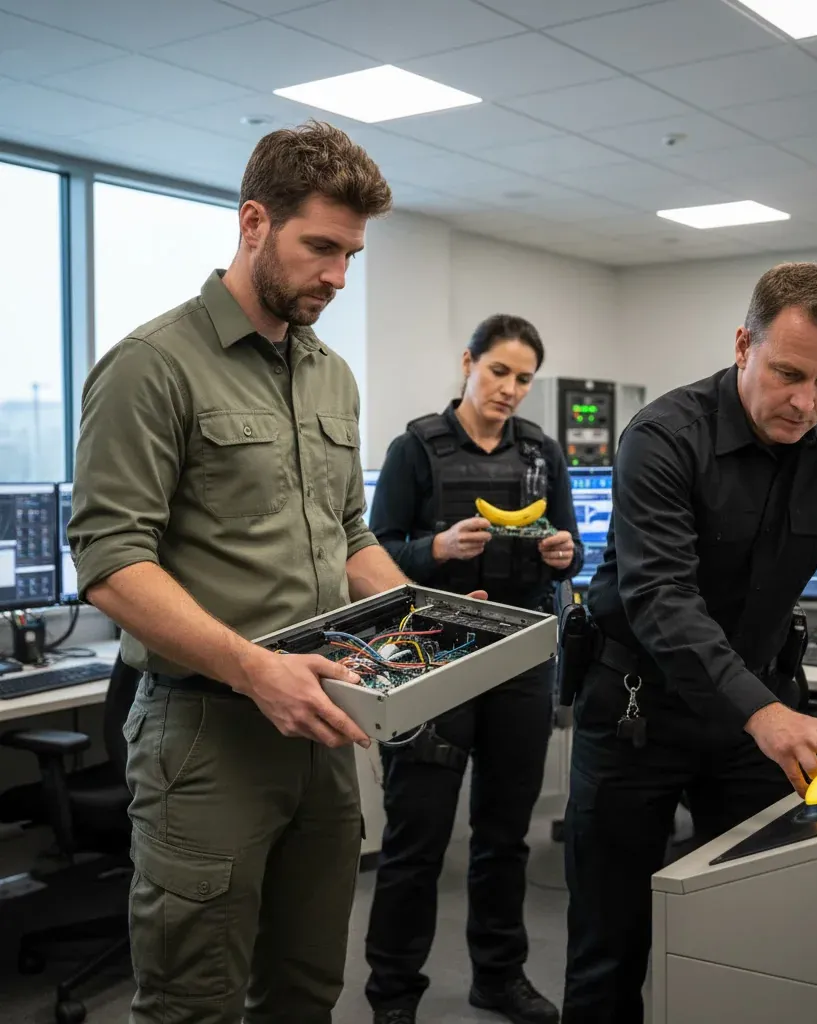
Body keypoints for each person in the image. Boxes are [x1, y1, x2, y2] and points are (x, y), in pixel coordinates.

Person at [68, 120, 405, 1024]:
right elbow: (108, 559)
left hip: (322, 725)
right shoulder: (153, 365)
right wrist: (254, 667)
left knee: (303, 992)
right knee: (194, 1003)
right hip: (207, 733)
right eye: (320, 247)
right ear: (254, 223)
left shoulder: (331, 375)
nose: (337, 275)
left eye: (352, 254)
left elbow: (347, 530)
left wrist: (421, 612)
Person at [560, 262, 817, 1024]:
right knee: (609, 945)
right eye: (789, 373)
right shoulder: (664, 437)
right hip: (638, 710)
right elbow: (661, 598)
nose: (806, 402)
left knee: (760, 919)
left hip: (759, 716)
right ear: (744, 344)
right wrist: (762, 713)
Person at [364, 314, 582, 1024]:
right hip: (433, 651)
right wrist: (435, 549)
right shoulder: (416, 448)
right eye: (499, 371)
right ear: (469, 362)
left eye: (523, 378)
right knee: (416, 839)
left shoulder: (542, 453)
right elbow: (372, 553)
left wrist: (563, 555)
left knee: (503, 836)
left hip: (517, 651)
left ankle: (499, 976)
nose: (510, 389)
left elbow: (572, 545)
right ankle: (393, 995)